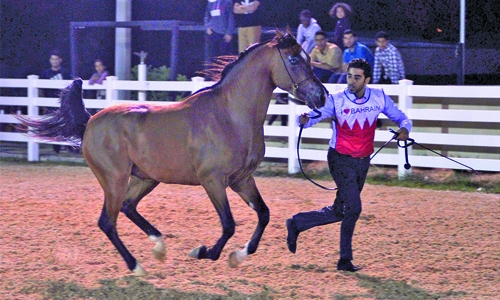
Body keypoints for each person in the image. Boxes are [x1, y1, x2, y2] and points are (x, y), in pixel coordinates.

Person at [285, 58, 411, 272]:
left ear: (367, 80)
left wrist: (405, 130)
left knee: (340, 211)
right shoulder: (336, 100)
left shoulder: (379, 98)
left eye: (357, 77)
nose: (351, 81)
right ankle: (344, 260)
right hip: (340, 160)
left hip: (363, 161)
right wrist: (304, 119)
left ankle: (297, 223)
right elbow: (315, 115)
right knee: (354, 207)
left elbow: (401, 118)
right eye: (349, 76)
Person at [39, 50, 72, 154]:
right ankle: (56, 148)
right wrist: (43, 104)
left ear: (60, 60)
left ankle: (69, 146)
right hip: (50, 103)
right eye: (52, 59)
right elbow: (41, 89)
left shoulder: (65, 73)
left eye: (56, 59)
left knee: (67, 124)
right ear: (50, 60)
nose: (54, 61)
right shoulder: (45, 74)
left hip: (63, 102)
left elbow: (70, 87)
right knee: (54, 125)